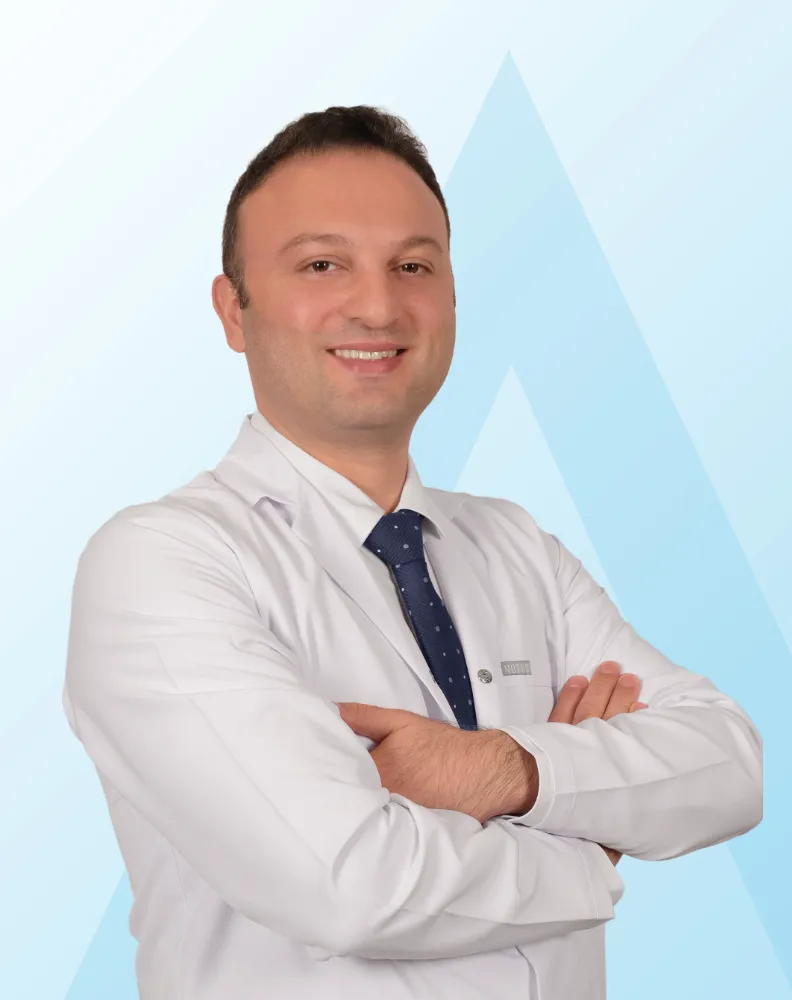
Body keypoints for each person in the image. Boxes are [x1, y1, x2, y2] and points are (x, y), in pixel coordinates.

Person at [63, 105, 762, 1000]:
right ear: (234, 310)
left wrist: (510, 770)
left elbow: (728, 765)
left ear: (453, 297)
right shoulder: (161, 564)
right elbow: (350, 884)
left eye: (414, 266)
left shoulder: (515, 545)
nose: (378, 305)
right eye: (322, 264)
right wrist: (591, 844)